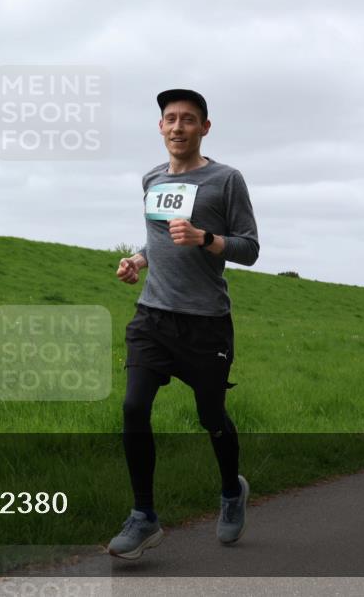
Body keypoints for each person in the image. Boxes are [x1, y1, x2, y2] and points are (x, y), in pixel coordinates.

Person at [107, 88, 260, 560]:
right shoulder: (152, 179)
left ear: (204, 128)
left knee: (211, 416)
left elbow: (249, 248)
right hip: (153, 316)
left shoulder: (226, 179)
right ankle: (143, 516)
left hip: (205, 323)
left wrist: (206, 238)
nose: (178, 126)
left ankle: (231, 492)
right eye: (170, 118)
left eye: (189, 119)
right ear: (160, 127)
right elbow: (158, 240)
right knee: (134, 408)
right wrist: (138, 260)